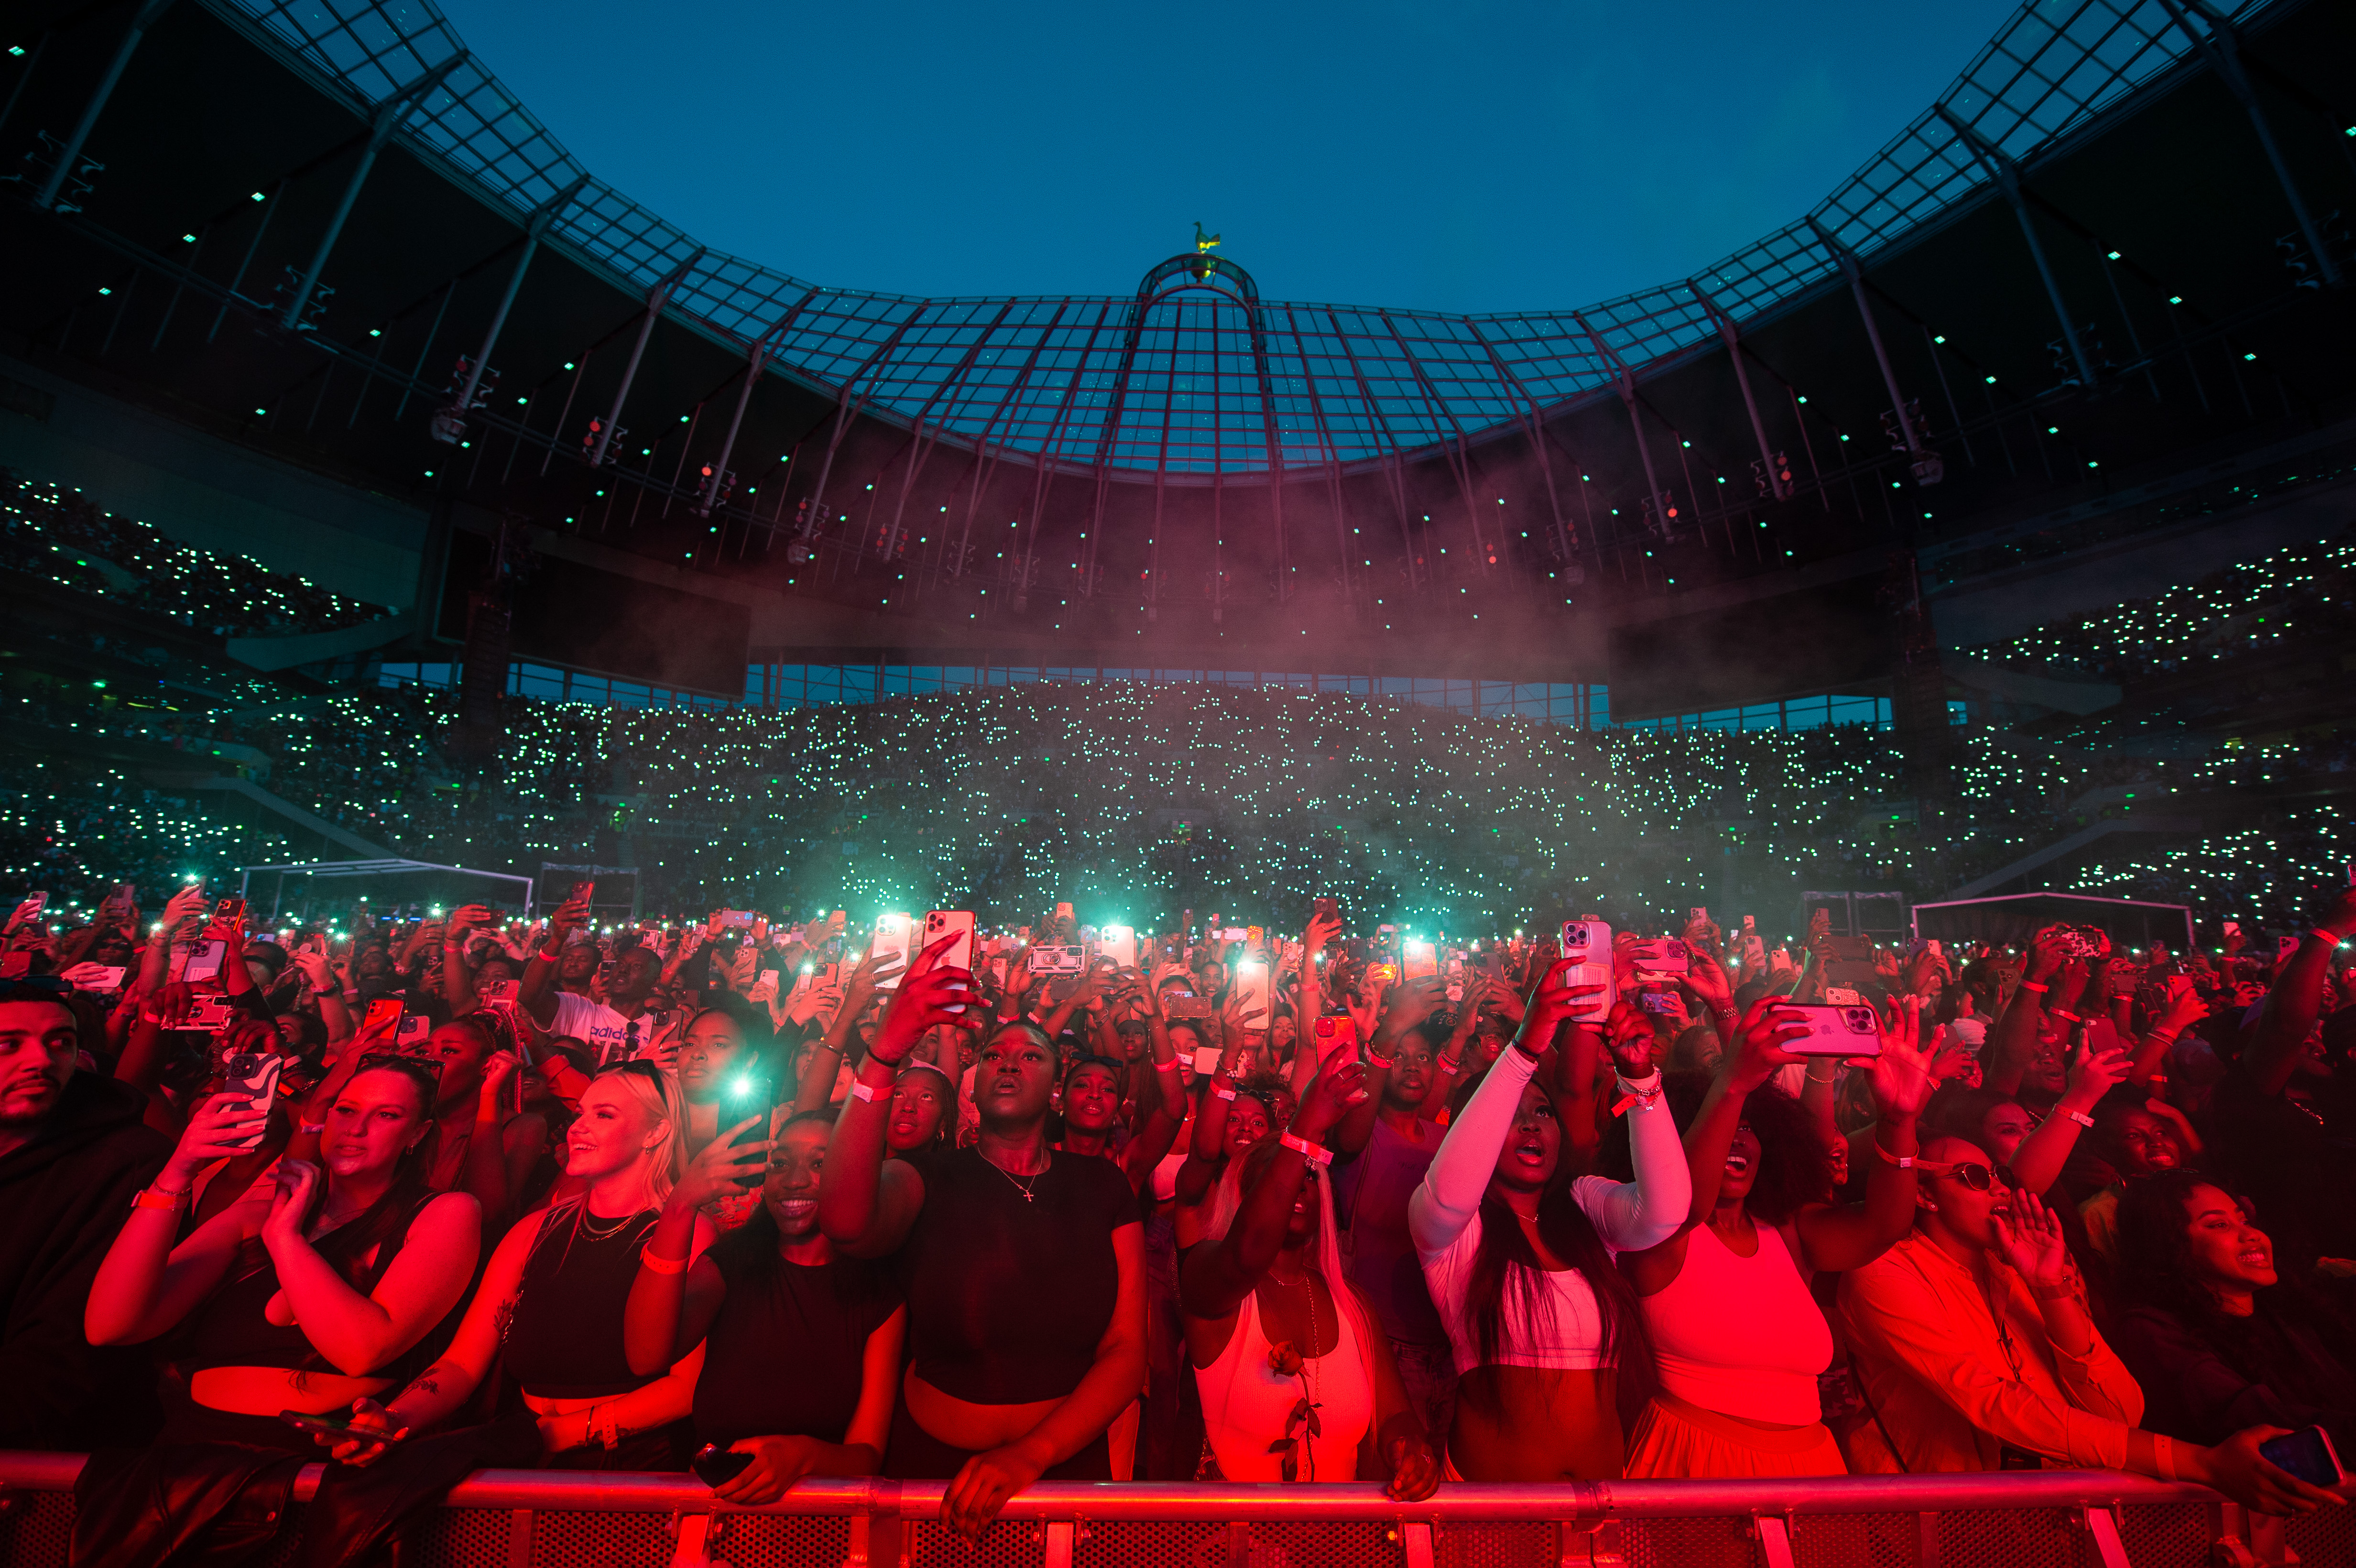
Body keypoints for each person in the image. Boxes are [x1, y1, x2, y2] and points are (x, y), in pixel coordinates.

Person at [76, 1056, 480, 1568]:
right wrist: (177, 1173)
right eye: (344, 1109)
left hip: (316, 1475)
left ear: (418, 1133)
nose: (354, 1128)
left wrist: (286, 1239)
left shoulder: (445, 1212)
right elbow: (111, 1324)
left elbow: (362, 1349)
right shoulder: (252, 1214)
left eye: (386, 1116)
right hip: (187, 1457)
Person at [819, 935, 1145, 1539]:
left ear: (1055, 1086)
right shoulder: (926, 1175)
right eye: (995, 1055)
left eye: (1031, 1056)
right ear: (970, 1084)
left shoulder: (1101, 1185)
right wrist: (885, 1052)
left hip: (1062, 1465)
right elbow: (844, 1224)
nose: (1010, 1062)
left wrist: (1031, 1454)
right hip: (932, 1476)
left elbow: (1127, 1350)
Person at [1835, 1134, 2339, 1513]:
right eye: (1973, 1176)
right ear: (1923, 1196)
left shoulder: (2010, 1270)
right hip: (1939, 1517)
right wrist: (2196, 1462)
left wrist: (2050, 1289)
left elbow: (2120, 1407)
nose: (1999, 1190)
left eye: (1999, 1176)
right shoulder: (1881, 1270)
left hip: (2050, 1510)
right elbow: (1993, 1404)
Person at [317, 1062, 705, 1473]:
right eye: (580, 1114)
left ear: (656, 1133)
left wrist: (552, 1436)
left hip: (635, 1463)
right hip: (529, 1451)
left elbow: (684, 1388)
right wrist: (395, 1420)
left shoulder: (686, 1231)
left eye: (604, 1115)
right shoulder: (535, 1230)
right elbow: (461, 1364)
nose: (578, 1127)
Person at [1620, 996, 1935, 1477]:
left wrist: (1898, 1119)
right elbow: (1679, 1205)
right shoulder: (1656, 1237)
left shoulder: (1786, 1233)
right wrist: (1731, 1083)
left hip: (1810, 1467)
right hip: (1695, 1463)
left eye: (1750, 1127)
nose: (1737, 1138)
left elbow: (1884, 1225)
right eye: (1725, 1126)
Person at [1407, 963, 1690, 1480]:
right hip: (1494, 1521)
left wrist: (1641, 1079)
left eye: (1541, 1112)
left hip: (1599, 1512)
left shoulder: (1584, 1208)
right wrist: (1522, 1050)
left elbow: (1664, 1212)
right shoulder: (1452, 1233)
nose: (1528, 1124)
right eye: (1510, 1114)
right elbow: (1449, 1194)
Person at [1180, 1053, 1439, 1494]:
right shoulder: (1209, 1277)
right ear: (1245, 1197)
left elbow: (1395, 1415)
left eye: (1310, 1177)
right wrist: (1304, 1131)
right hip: (1236, 1543)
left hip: (1338, 1544)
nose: (1298, 1184)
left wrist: (1411, 1449)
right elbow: (1246, 1255)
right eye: (1273, 1180)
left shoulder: (1352, 1303)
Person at [624, 1109, 905, 1503]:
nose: (794, 1181)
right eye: (781, 1163)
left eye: (820, 1164)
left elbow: (867, 1456)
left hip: (817, 1525)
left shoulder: (878, 1296)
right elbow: (645, 1357)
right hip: (713, 1515)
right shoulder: (730, 1265)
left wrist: (803, 1456)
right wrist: (681, 1205)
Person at [0, 979, 169, 1449]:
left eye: (61, 1043)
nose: (40, 1060)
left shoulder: (124, 1162)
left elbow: (59, 1364)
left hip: (52, 1466)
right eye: (7, 1045)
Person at [2110, 1170, 2356, 1452]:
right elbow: (2266, 1426)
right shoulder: (2152, 1330)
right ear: (2168, 1244)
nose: (2250, 1234)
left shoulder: (2285, 1305)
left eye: (2243, 1220)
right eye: (2219, 1225)